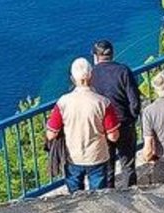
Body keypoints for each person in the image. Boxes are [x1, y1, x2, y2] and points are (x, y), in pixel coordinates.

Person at [46, 58, 120, 193]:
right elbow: (113, 136)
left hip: (73, 157)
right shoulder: (103, 103)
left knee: (75, 198)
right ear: (91, 76)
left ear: (72, 78)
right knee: (99, 197)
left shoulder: (63, 102)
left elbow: (51, 134)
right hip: (97, 156)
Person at [90, 39, 141, 189]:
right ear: (112, 54)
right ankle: (130, 192)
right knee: (128, 164)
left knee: (107, 166)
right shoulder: (123, 71)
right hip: (124, 123)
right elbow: (134, 100)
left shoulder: (91, 75)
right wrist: (132, 118)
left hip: (103, 127)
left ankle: (110, 196)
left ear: (95, 56)